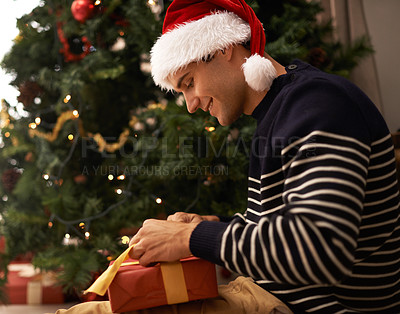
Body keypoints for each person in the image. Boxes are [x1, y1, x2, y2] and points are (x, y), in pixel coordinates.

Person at [56, 0, 400, 313]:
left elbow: (320, 248)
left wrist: (187, 239)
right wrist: (213, 226)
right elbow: (286, 224)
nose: (190, 104)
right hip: (273, 296)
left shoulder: (319, 104)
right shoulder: (282, 109)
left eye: (189, 82)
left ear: (224, 49)